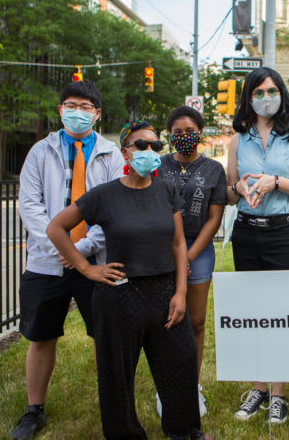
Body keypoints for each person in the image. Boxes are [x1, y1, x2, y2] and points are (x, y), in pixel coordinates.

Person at [47, 120, 210, 440]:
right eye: (141, 145)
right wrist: (86, 268)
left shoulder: (166, 191)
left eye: (155, 146)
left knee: (182, 362)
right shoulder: (104, 195)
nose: (150, 151)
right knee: (116, 376)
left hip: (164, 292)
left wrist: (179, 292)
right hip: (119, 295)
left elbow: (179, 244)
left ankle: (185, 432)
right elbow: (56, 228)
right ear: (125, 152)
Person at [13, 80, 124, 439]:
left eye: (85, 107)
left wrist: (83, 250)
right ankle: (34, 410)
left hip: (96, 261)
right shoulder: (39, 152)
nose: (78, 112)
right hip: (47, 262)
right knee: (41, 337)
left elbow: (115, 208)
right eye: (71, 106)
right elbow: (29, 206)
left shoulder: (111, 155)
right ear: (60, 110)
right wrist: (61, 249)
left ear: (97, 113)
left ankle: (111, 406)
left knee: (103, 336)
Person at [226, 67, 289, 425]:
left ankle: (278, 394)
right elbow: (228, 190)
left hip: (284, 232)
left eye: (272, 90)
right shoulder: (238, 139)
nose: (266, 97)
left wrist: (277, 182)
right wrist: (239, 189)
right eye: (258, 92)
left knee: (280, 312)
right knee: (253, 312)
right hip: (246, 232)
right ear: (248, 97)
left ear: (281, 92)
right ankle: (258, 388)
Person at [157, 106, 227, 417]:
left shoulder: (214, 169)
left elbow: (215, 219)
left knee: (196, 322)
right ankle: (167, 388)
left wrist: (188, 255)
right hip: (161, 253)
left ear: (200, 133)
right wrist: (173, 254)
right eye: (177, 133)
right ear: (170, 137)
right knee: (167, 323)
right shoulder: (157, 167)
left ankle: (192, 386)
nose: (184, 136)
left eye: (190, 131)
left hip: (199, 251)